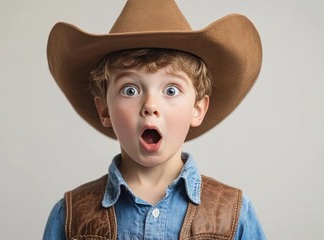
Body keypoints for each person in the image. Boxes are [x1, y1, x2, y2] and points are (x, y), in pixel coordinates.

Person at [43, 0, 265, 239]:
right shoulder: (70, 218)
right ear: (105, 109)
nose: (150, 106)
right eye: (130, 90)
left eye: (171, 90)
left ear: (197, 108)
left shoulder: (234, 215)